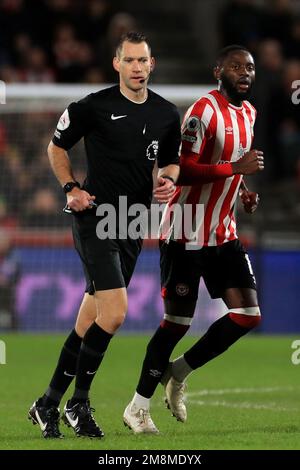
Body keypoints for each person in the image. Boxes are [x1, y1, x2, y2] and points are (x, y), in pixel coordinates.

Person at [28, 31, 181, 439]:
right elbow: (55, 147)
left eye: (142, 61)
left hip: (132, 223)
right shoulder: (93, 106)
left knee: (90, 321)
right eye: (129, 60)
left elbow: (170, 162)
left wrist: (166, 180)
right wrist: (71, 189)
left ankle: (47, 403)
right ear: (116, 64)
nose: (136, 67)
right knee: (114, 314)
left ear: (152, 64)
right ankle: (79, 403)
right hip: (95, 217)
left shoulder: (167, 114)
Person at [124, 44, 264, 434]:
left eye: (250, 67)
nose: (244, 73)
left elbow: (234, 167)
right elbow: (181, 169)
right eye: (236, 66)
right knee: (177, 323)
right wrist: (234, 168)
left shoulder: (250, 113)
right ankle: (137, 407)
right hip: (185, 231)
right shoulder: (203, 112)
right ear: (218, 70)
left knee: (247, 315)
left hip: (224, 233)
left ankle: (178, 373)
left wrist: (242, 190)